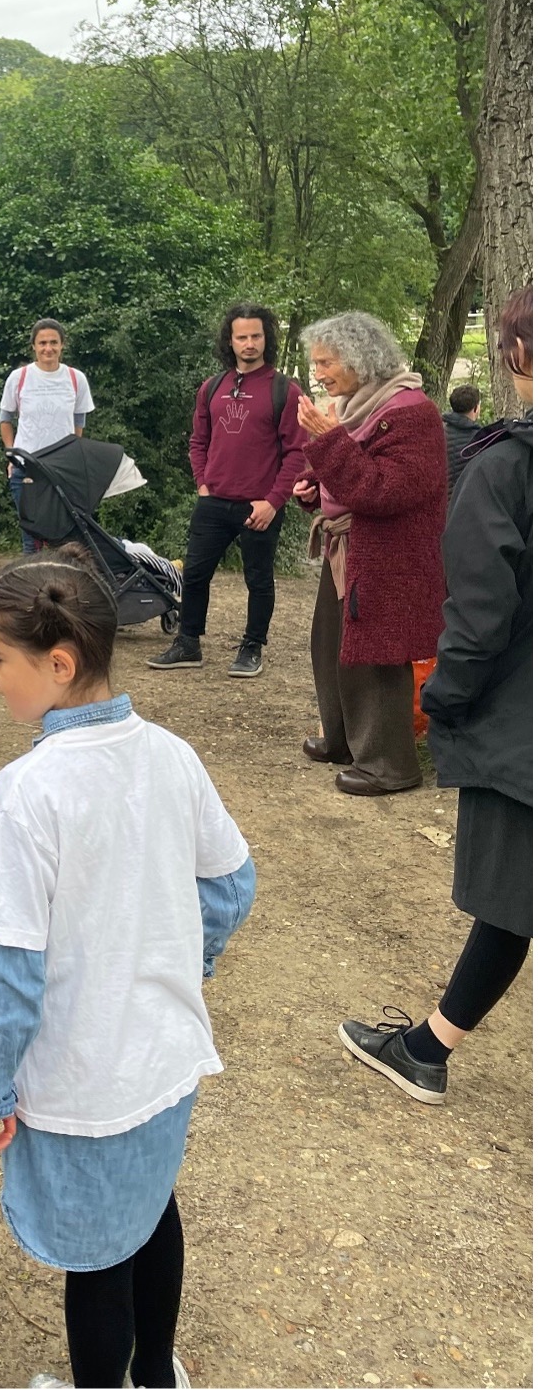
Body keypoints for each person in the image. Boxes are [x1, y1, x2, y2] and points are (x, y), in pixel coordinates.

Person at [0, 548, 255, 1389]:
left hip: (82, 1078)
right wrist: (177, 962)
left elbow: (10, 970)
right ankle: (156, 1376)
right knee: (151, 1210)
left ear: (58, 663)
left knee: (95, 1256)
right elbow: (232, 882)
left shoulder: (29, 790)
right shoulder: (169, 752)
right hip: (164, 1056)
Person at [340, 288, 531, 1101]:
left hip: (519, 726)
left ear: (516, 355)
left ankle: (425, 1050)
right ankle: (428, 1044)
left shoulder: (507, 466)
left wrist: (444, 700)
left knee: (513, 885)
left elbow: (481, 610)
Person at [294, 312, 448, 796]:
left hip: (389, 556)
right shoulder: (360, 405)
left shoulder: (411, 412)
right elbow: (353, 470)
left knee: (378, 657)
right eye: (315, 362)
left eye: (326, 362)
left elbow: (385, 489)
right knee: (332, 646)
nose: (318, 373)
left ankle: (390, 765)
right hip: (352, 546)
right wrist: (314, 490)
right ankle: (345, 741)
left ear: (360, 358)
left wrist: (326, 441)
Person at [148, 303, 306, 679]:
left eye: (256, 336)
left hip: (259, 506)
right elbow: (198, 441)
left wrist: (273, 501)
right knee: (196, 574)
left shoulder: (286, 390)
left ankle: (252, 648)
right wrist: (203, 483)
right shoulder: (212, 387)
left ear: (266, 339)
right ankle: (188, 643)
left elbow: (298, 452)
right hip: (213, 502)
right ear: (230, 341)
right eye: (241, 337)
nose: (249, 343)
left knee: (259, 579)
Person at [0, 321, 94, 553]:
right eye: (42, 343)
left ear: (62, 345)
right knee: (31, 540)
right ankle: (32, 588)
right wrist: (11, 453)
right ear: (33, 346)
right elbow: (5, 418)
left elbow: (79, 421)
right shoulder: (19, 378)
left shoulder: (75, 378)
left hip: (63, 470)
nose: (48, 348)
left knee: (66, 537)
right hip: (26, 467)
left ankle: (62, 588)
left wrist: (74, 451)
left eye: (53, 342)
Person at [442, 382, 484, 494]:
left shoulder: (439, 432)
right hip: (466, 503)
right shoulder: (481, 439)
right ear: (475, 408)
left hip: (440, 502)